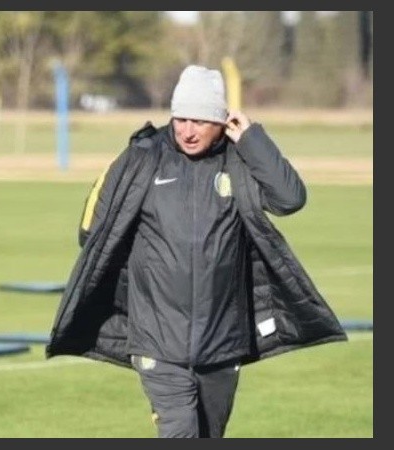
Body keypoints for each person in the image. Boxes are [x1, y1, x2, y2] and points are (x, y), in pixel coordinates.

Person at [45, 64, 347, 438]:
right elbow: (91, 229)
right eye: (180, 119)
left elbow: (290, 198)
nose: (187, 131)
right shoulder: (141, 158)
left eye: (200, 121)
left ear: (221, 121)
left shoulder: (240, 161)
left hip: (223, 342)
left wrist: (253, 139)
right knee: (181, 432)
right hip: (157, 342)